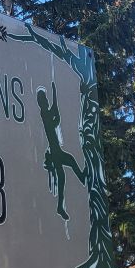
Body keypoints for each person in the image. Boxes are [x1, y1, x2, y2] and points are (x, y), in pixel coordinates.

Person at [37, 83, 85, 221]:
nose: (46, 101)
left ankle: (82, 178)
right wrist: (54, 96)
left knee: (69, 163)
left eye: (46, 99)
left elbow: (55, 112)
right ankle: (60, 206)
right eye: (44, 100)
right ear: (40, 103)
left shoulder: (46, 111)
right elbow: (55, 120)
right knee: (63, 175)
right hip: (53, 150)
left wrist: (54, 94)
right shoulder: (44, 113)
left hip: (56, 149)